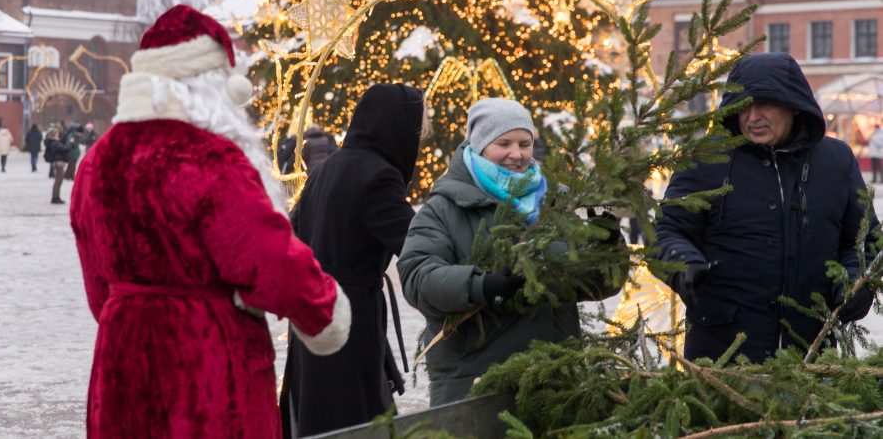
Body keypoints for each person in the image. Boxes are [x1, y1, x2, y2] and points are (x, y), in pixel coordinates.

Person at [69, 5, 350, 438]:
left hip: (121, 361)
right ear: (208, 84)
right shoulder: (210, 159)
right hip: (208, 366)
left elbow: (97, 291)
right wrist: (323, 311)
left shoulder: (95, 163)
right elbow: (269, 260)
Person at [398, 97, 622, 406]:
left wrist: (608, 249)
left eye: (524, 143)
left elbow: (598, 284)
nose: (516, 154)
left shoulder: (550, 206)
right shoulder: (444, 209)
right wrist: (480, 285)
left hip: (556, 386)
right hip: (478, 389)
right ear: (479, 145)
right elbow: (417, 277)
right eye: (503, 143)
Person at [656, 52, 877, 364]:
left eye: (764, 104)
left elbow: (864, 239)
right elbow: (667, 230)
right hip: (722, 356)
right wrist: (682, 262)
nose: (752, 116)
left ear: (793, 104)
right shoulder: (705, 159)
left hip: (810, 353)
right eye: (743, 106)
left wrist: (856, 281)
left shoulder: (836, 161)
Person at [285, 84, 426, 437]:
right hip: (349, 316)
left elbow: (292, 234)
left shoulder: (325, 169)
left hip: (314, 310)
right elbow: (416, 242)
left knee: (322, 413)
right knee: (356, 414)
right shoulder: (378, 175)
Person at [44, 128, 71, 204]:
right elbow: (64, 149)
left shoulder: (54, 142)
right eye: (56, 133)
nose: (58, 134)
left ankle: (56, 197)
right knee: (58, 181)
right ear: (53, 135)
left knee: (59, 181)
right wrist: (70, 144)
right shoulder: (54, 143)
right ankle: (55, 197)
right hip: (58, 163)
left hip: (58, 162)